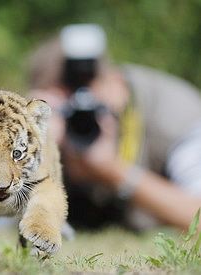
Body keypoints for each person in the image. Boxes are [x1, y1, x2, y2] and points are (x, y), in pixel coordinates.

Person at [28, 24, 201, 231]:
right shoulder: (44, 131)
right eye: (69, 109)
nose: (80, 117)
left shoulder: (176, 114)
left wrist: (113, 170)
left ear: (117, 86)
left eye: (88, 103)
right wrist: (36, 150)